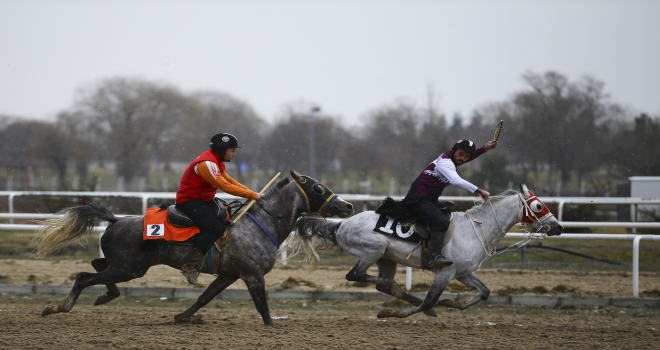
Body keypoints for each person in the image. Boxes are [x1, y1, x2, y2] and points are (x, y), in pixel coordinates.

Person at [175, 133, 262, 285]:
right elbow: (225, 186)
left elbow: (229, 180)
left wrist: (252, 193)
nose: (234, 154)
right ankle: (190, 266)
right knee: (213, 228)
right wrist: (253, 194)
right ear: (222, 150)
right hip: (190, 202)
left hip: (204, 201)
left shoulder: (216, 160)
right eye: (232, 151)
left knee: (226, 219)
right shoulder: (206, 164)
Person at [402, 139, 498, 270]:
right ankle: (434, 257)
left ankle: (435, 247)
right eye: (460, 154)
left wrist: (484, 148)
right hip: (417, 200)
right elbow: (457, 181)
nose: (463, 158)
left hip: (428, 200)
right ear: (453, 151)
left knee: (448, 214)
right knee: (441, 221)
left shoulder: (452, 158)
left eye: (466, 156)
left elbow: (467, 157)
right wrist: (479, 190)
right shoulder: (445, 164)